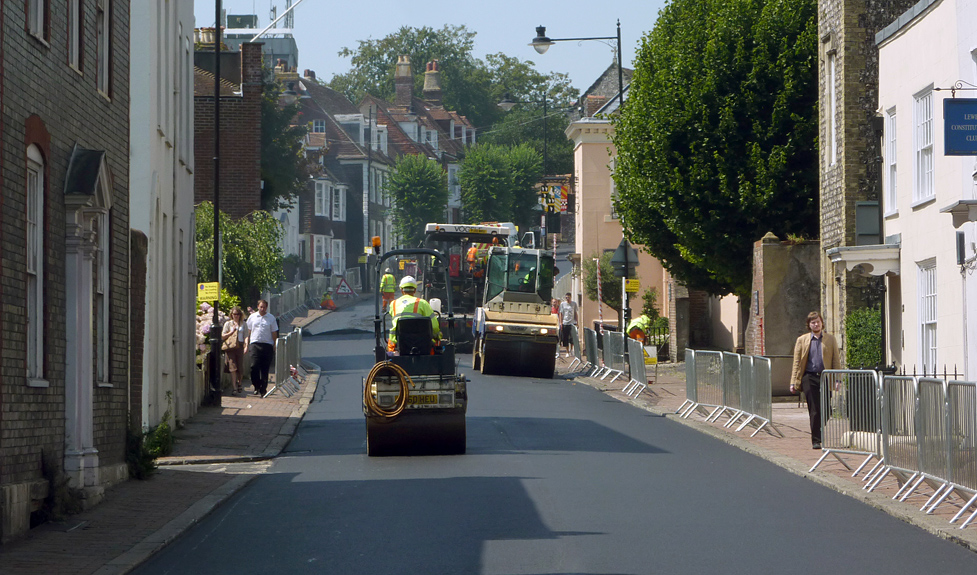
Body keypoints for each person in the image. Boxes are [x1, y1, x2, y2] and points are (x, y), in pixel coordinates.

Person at [790, 311, 841, 450]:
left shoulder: (830, 339)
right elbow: (797, 362)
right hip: (809, 376)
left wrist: (838, 379)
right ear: (809, 325)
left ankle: (818, 428)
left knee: (827, 409)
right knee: (814, 409)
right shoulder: (802, 340)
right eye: (813, 322)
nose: (816, 324)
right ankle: (816, 440)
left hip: (825, 376)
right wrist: (793, 381)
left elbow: (836, 360)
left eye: (818, 321)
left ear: (822, 323)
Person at [387, 276, 441, 353]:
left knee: (390, 349)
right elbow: (434, 326)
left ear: (402, 290)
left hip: (399, 344)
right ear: (415, 290)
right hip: (423, 345)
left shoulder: (394, 304)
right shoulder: (423, 303)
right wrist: (438, 336)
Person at [246, 299, 279, 397]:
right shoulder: (252, 317)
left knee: (265, 368)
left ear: (266, 307)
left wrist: (274, 344)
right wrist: (246, 344)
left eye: (264, 307)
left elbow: (274, 332)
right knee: (254, 366)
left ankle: (263, 389)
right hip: (255, 344)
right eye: (261, 307)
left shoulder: (271, 318)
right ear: (257, 307)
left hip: (267, 345)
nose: (262, 309)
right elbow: (248, 331)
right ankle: (256, 385)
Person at [221, 306, 248, 394]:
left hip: (239, 346)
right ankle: (234, 388)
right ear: (231, 315)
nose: (236, 316)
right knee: (232, 367)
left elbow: (246, 335)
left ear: (240, 315)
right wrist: (231, 332)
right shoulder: (228, 324)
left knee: (240, 367)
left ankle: (239, 383)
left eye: (238, 314)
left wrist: (246, 345)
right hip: (231, 347)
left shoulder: (243, 324)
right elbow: (223, 336)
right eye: (234, 314)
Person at [558, 292, 578, 358]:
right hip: (565, 322)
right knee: (565, 337)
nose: (567, 299)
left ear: (570, 297)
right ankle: (567, 352)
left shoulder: (574, 304)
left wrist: (577, 322)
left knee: (572, 337)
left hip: (572, 322)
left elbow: (575, 313)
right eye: (566, 297)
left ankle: (571, 349)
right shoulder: (562, 304)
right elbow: (560, 313)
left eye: (568, 297)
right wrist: (561, 322)